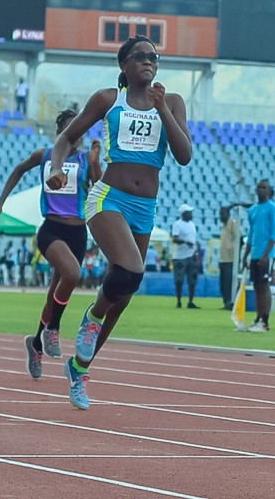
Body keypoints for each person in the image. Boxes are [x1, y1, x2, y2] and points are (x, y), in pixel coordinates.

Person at [45, 35, 192, 410]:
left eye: (154, 56)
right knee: (130, 271)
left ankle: (79, 368)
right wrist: (58, 168)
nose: (149, 61)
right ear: (124, 66)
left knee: (123, 295)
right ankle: (92, 315)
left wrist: (162, 111)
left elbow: (184, 155)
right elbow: (67, 137)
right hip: (109, 197)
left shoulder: (171, 101)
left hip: (146, 205)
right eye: (140, 56)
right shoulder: (108, 100)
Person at [0, 108, 102, 381]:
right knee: (73, 274)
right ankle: (53, 328)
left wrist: (97, 163)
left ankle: (36, 343)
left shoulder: (87, 158)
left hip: (78, 233)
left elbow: (99, 187)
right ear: (60, 132)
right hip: (51, 229)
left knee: (55, 293)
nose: (76, 136)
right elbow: (18, 170)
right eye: (69, 130)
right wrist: (0, 204)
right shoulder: (45, 156)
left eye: (80, 130)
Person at [241, 179, 275, 332]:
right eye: (258, 187)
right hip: (255, 254)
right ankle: (258, 318)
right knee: (257, 286)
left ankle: (265, 322)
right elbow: (251, 235)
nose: (260, 190)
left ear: (268, 191)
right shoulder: (253, 210)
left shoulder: (272, 208)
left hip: (267, 254)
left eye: (264, 188)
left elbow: (274, 234)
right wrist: (246, 255)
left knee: (264, 286)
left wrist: (266, 255)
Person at [171, 204, 200, 309]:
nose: (191, 214)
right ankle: (179, 301)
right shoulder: (177, 224)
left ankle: (190, 302)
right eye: (189, 212)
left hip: (191, 255)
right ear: (184, 214)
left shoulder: (192, 224)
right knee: (179, 280)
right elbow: (174, 239)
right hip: (180, 256)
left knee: (192, 279)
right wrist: (185, 242)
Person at [218, 205, 242, 310]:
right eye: (220, 214)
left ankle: (231, 302)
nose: (221, 216)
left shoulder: (233, 224)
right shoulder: (223, 226)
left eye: (223, 214)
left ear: (228, 214)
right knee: (223, 283)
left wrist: (232, 249)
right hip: (223, 259)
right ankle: (226, 302)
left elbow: (239, 239)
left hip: (231, 259)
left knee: (229, 283)